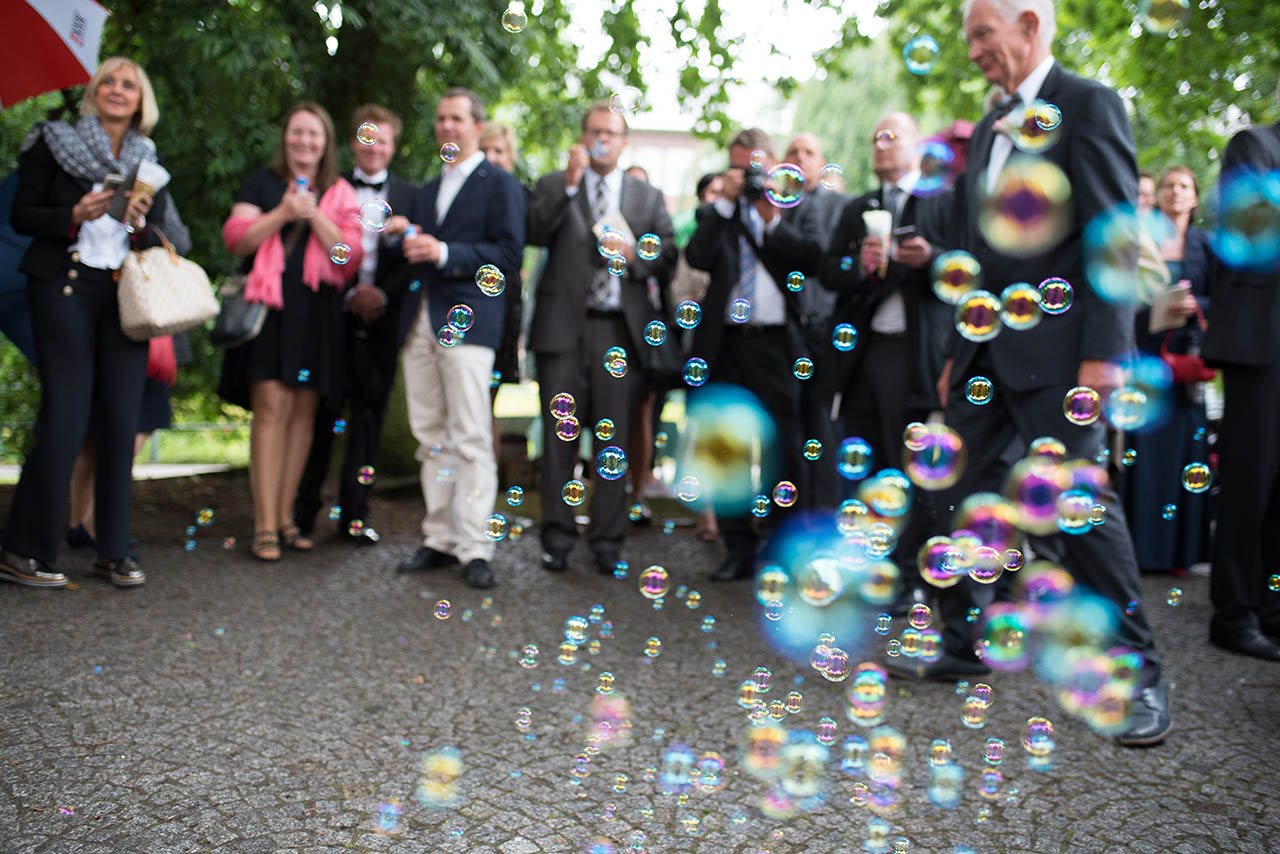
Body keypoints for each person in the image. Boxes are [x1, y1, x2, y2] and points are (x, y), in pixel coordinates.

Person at [910, 0, 1172, 746]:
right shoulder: (992, 126)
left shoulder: (1086, 104)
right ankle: (965, 643)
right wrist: (958, 355)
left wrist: (1106, 351)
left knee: (1081, 515)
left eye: (984, 35)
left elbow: (1114, 232)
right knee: (954, 490)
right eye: (969, 40)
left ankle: (1140, 674)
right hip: (985, 356)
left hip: (1062, 356)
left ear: (1030, 24)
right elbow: (979, 256)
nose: (975, 52)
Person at [0, 57, 190, 589]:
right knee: (65, 415)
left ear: (141, 101)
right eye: (108, 80)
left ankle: (114, 549)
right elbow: (21, 215)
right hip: (64, 283)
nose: (117, 89)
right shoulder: (51, 141)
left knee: (120, 420)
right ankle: (24, 549)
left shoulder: (147, 161)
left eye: (128, 83)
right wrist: (74, 215)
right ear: (93, 91)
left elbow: (179, 239)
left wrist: (142, 221)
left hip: (123, 296)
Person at [527, 101, 677, 576]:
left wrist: (635, 256)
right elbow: (531, 231)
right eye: (594, 132)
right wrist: (570, 186)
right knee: (559, 438)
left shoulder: (645, 197)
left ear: (623, 140)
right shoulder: (556, 184)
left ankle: (608, 541)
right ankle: (556, 539)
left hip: (619, 330)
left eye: (610, 133)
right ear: (582, 136)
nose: (601, 140)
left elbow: (668, 253)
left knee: (613, 439)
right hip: (563, 329)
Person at [393, 87, 525, 590]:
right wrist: (409, 234)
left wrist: (444, 251)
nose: (446, 126)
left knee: (470, 435)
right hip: (422, 319)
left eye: (456, 119)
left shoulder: (500, 185)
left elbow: (509, 256)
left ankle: (475, 546)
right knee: (431, 434)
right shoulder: (428, 190)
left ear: (476, 126)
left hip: (469, 321)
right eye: (440, 118)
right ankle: (439, 538)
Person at [219, 102, 363, 561]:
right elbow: (237, 240)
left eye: (314, 134)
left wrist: (315, 215)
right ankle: (262, 525)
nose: (305, 141)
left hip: (318, 313)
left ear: (326, 143)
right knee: (271, 408)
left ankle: (285, 518)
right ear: (286, 138)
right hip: (271, 311)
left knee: (304, 412)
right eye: (297, 132)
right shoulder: (261, 184)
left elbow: (348, 258)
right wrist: (282, 212)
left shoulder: (340, 194)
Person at [683, 127, 823, 581]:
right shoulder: (718, 214)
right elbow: (698, 256)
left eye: (753, 167)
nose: (747, 177)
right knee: (726, 446)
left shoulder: (789, 206)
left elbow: (810, 258)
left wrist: (770, 218)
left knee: (783, 445)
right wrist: (724, 203)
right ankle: (737, 548)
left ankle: (781, 546)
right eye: (738, 168)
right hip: (724, 344)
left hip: (776, 343)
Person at [819, 112, 952, 582]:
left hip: (915, 353)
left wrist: (930, 259)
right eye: (876, 138)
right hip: (863, 350)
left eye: (893, 137)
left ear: (918, 146)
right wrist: (859, 265)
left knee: (906, 463)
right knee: (863, 455)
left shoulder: (940, 202)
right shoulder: (858, 207)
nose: (882, 145)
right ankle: (866, 561)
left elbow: (966, 272)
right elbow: (829, 273)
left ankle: (906, 569)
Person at [292, 104, 416, 546]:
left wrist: (380, 295)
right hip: (334, 317)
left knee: (370, 419)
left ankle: (355, 517)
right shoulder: (332, 189)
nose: (374, 148)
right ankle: (302, 514)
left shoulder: (410, 194)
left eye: (382, 139)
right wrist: (348, 295)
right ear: (354, 144)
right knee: (321, 414)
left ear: (392, 146)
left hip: (384, 322)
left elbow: (412, 265)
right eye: (367, 138)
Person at [1201, 103, 1280, 661]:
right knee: (1251, 483)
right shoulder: (1254, 146)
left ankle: (1273, 606)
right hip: (1260, 343)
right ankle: (1234, 612)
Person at [1122, 165, 1211, 573]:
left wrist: (1197, 309)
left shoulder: (1206, 245)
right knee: (1146, 456)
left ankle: (1179, 553)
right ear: (1157, 195)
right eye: (1168, 186)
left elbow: (1222, 299)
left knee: (1184, 458)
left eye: (1183, 186)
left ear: (1194, 197)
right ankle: (1142, 550)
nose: (1175, 192)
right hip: (1146, 357)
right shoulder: (1143, 241)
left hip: (1187, 364)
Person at [782, 131, 849, 509]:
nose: (801, 157)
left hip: (825, 332)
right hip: (782, 335)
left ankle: (822, 515)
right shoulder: (774, 210)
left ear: (821, 162)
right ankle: (788, 515)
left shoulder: (840, 206)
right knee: (787, 428)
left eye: (809, 152)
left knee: (821, 428)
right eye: (794, 151)